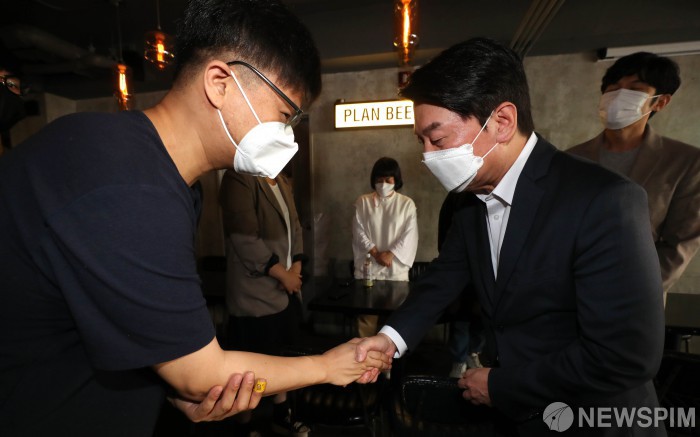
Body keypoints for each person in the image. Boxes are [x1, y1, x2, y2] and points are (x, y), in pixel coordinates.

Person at [0, 1, 389, 436]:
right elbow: (203, 374)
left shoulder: (163, 177)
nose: (288, 137)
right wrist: (327, 367)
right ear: (220, 83)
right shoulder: (130, 185)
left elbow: (119, 320)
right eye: (284, 115)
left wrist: (173, 390)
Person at [354, 37, 665, 436]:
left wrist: (503, 386)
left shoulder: (604, 200)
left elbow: (627, 355)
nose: (428, 156)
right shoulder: (468, 200)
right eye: (422, 142)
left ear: (501, 121)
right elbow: (443, 279)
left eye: (439, 139)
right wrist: (389, 339)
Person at [568, 52, 700, 302]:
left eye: (635, 89)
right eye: (613, 88)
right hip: (570, 294)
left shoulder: (686, 162)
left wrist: (635, 291)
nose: (619, 96)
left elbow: (681, 243)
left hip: (637, 299)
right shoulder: (571, 158)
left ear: (660, 102)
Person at [219, 169, 309, 436]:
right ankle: (245, 425)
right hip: (254, 296)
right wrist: (283, 274)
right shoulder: (239, 178)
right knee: (249, 366)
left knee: (279, 357)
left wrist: (296, 268)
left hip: (285, 292)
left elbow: (295, 226)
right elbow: (245, 239)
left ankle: (280, 414)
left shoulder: (281, 180)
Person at [351, 157, 418, 337]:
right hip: (368, 269)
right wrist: (376, 253)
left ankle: (391, 355)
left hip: (395, 270)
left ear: (396, 180)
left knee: (395, 321)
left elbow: (410, 234)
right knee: (366, 319)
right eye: (379, 179)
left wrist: (390, 254)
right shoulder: (363, 202)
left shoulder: (407, 204)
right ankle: (365, 354)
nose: (383, 184)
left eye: (388, 179)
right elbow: (358, 231)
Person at [438, 191, 484, 378]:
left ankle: (474, 353)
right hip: (460, 270)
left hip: (484, 271)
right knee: (461, 320)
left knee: (482, 318)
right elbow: (443, 234)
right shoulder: (455, 197)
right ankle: (458, 360)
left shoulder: (489, 194)